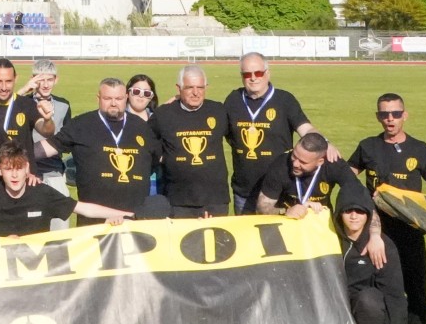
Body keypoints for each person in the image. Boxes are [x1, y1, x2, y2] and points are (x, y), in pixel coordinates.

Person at [349, 93, 426, 324]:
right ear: (378, 117)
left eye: (395, 114)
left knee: (416, 289)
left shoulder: (419, 148)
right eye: (384, 114)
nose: (389, 119)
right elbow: (348, 177)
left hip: (411, 231)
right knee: (375, 286)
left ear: (405, 115)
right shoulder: (368, 146)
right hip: (377, 233)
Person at [0, 141, 134, 236]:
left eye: (19, 169)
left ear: (27, 168)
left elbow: (84, 208)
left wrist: (125, 215)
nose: (14, 175)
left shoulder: (42, 193)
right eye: (9, 170)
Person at [255, 136, 388, 269]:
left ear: (320, 161)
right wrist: (285, 212)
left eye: (303, 162)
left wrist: (375, 236)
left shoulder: (334, 164)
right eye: (294, 156)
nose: (295, 164)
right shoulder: (281, 165)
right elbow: (262, 207)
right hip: (286, 228)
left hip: (322, 229)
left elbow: (361, 197)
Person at [34, 78, 157, 219]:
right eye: (107, 98)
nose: (113, 103)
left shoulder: (142, 127)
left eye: (118, 98)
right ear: (98, 98)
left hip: (135, 218)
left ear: (126, 97)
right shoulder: (81, 124)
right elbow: (46, 148)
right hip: (93, 220)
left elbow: (156, 160)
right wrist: (19, 160)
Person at [222, 53, 320, 213]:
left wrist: (324, 143)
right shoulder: (233, 99)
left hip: (278, 192)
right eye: (247, 74)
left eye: (258, 73)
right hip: (244, 192)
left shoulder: (285, 100)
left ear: (267, 73)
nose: (253, 78)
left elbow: (306, 129)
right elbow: (222, 131)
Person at [149, 64, 235, 217]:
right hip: (177, 201)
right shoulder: (163, 114)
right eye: (189, 87)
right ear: (179, 88)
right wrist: (161, 157)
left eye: (200, 87)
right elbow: (147, 140)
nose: (196, 93)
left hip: (215, 200)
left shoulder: (219, 110)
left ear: (206, 87)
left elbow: (235, 137)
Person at [337, 187, 405, 324]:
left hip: (365, 311)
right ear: (339, 212)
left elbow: (395, 299)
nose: (354, 216)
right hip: (336, 305)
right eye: (348, 210)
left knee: (370, 299)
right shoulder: (328, 239)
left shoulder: (383, 246)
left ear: (368, 214)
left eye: (360, 211)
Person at [26, 58, 71, 194]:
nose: (46, 85)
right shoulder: (23, 103)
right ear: (33, 80)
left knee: (62, 207)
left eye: (50, 80)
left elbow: (67, 139)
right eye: (41, 80)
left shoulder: (63, 105)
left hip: (54, 171)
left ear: (56, 80)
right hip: (27, 171)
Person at [0, 58, 43, 158]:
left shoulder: (28, 104)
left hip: (23, 167)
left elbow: (46, 130)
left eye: (8, 81)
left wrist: (48, 120)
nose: (4, 87)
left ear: (16, 78)